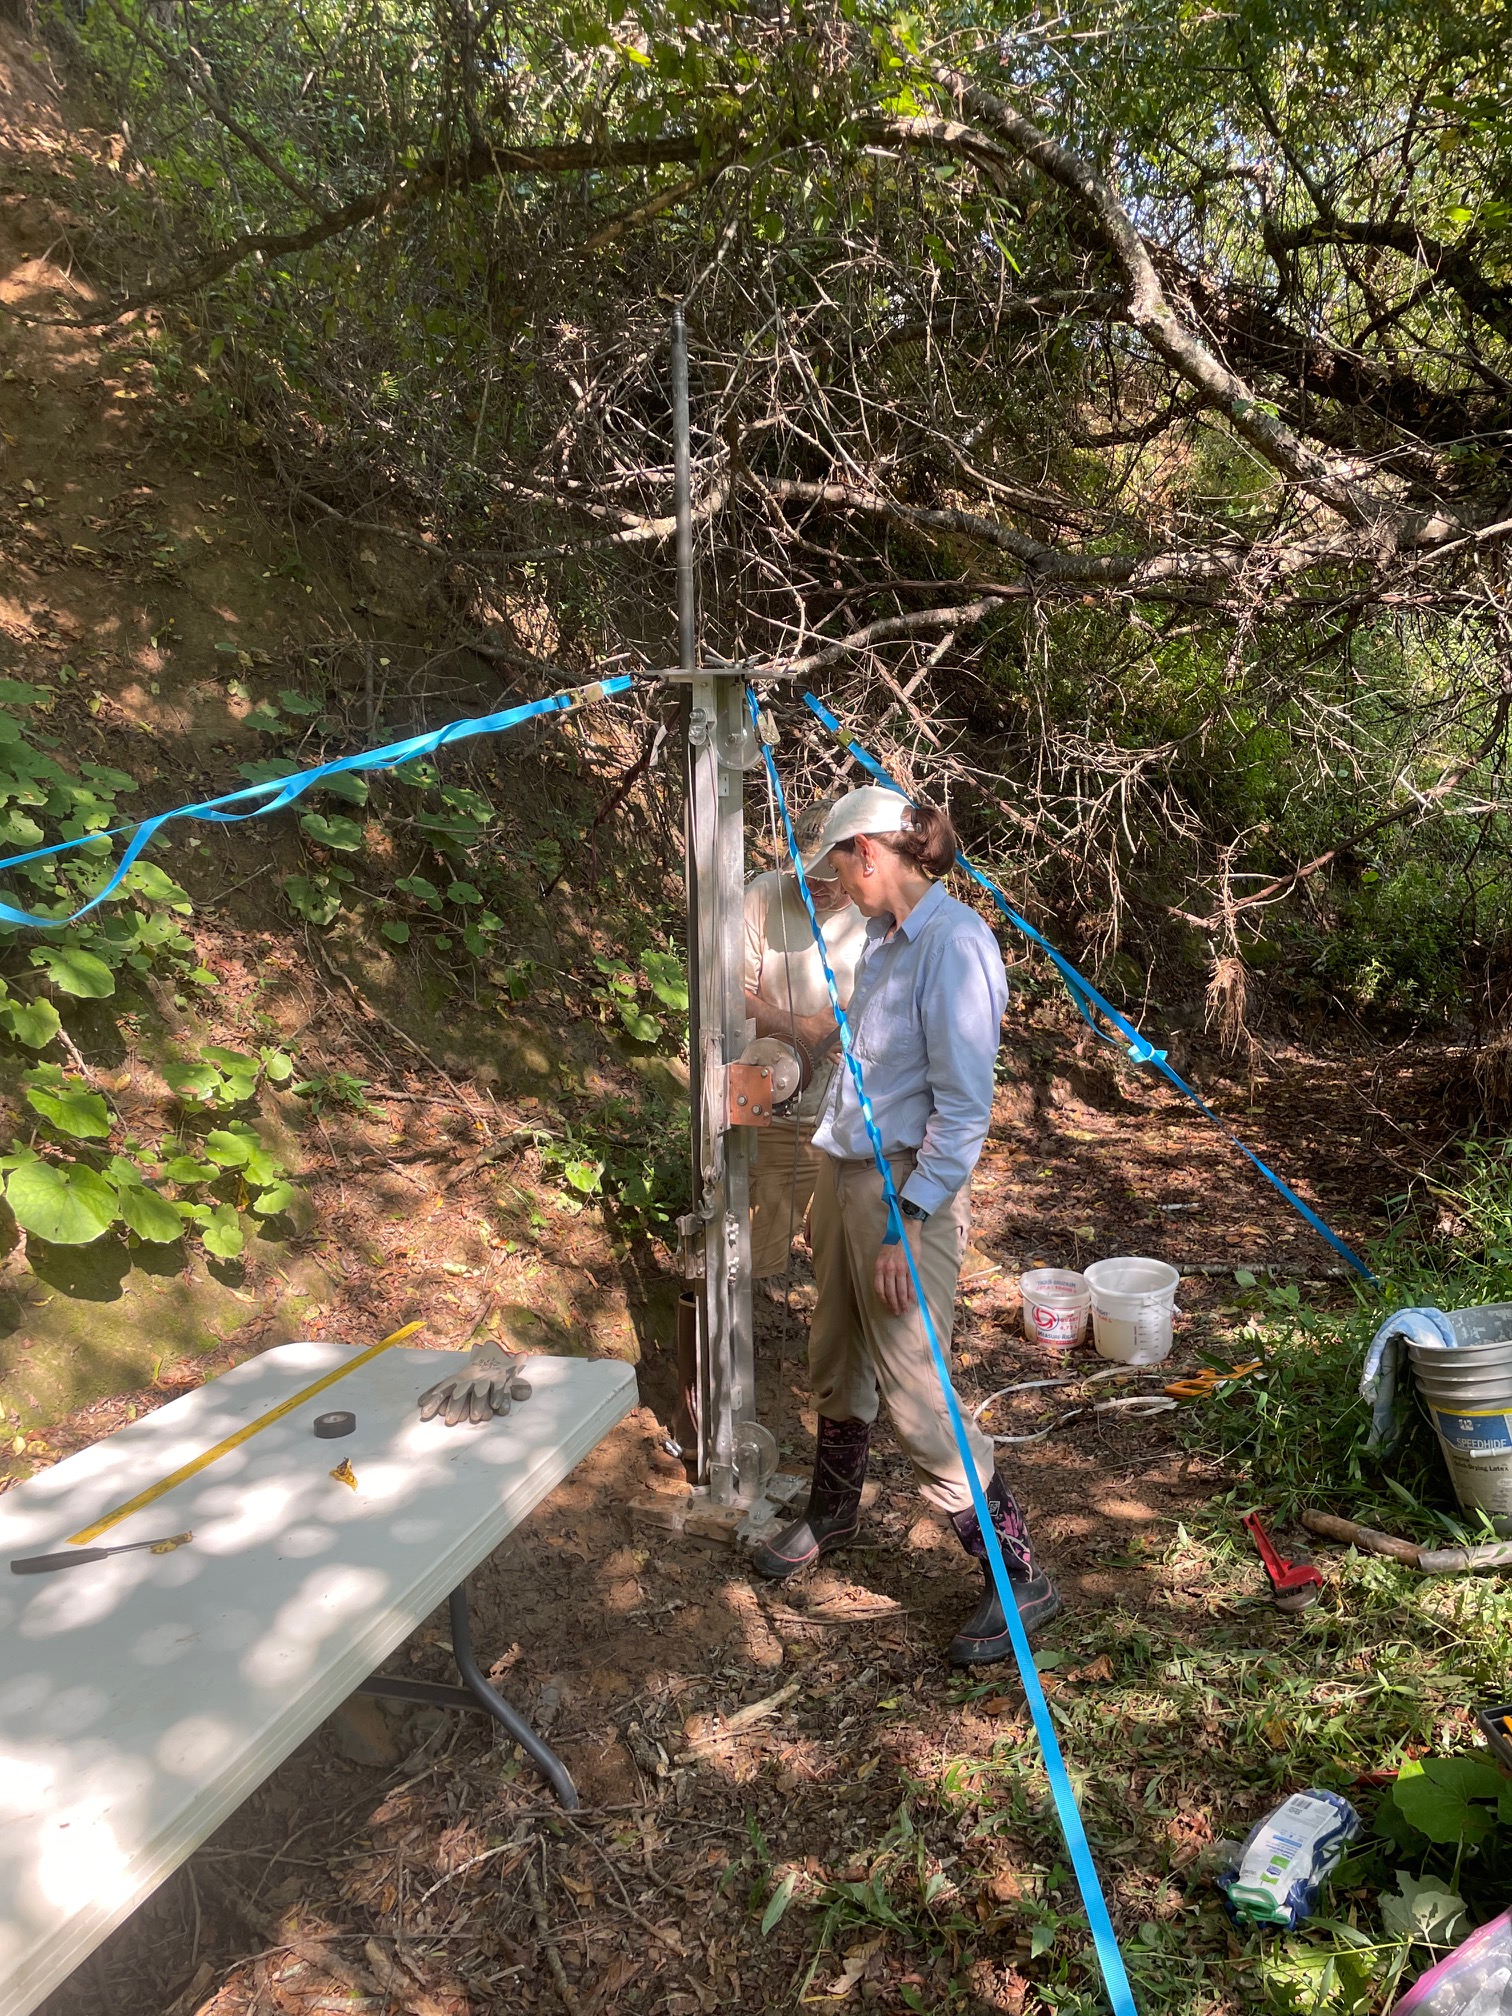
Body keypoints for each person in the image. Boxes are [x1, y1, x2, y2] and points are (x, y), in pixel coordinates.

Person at [751, 786, 1061, 1662]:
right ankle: (834, 1509)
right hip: (847, 1174)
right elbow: (870, 1071)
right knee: (836, 1356)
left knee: (917, 1390)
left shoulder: (955, 945)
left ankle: (1018, 1575)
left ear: (870, 853)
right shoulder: (887, 941)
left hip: (902, 1193)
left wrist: (907, 1220)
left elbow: (963, 1109)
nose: (836, 886)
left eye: (839, 867)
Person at [744, 799, 867, 1279]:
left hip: (846, 1110)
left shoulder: (877, 914)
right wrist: (804, 1027)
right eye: (804, 871)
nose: (812, 884)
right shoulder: (764, 894)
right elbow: (726, 997)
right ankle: (743, 1313)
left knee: (840, 1253)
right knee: (753, 1242)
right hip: (763, 1090)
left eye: (826, 874)